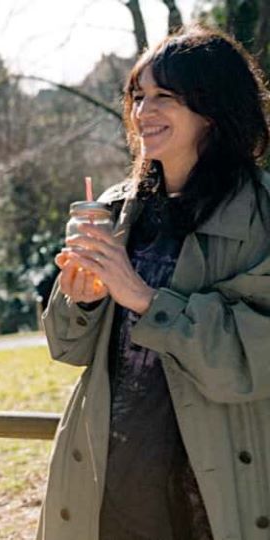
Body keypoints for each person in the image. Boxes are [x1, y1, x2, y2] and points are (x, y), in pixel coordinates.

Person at [39, 26, 270, 540]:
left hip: (217, 493)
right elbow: (66, 347)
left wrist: (141, 297)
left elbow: (255, 357)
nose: (143, 113)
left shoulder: (261, 217)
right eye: (138, 97)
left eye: (164, 97)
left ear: (212, 106)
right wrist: (82, 302)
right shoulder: (116, 211)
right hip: (109, 481)